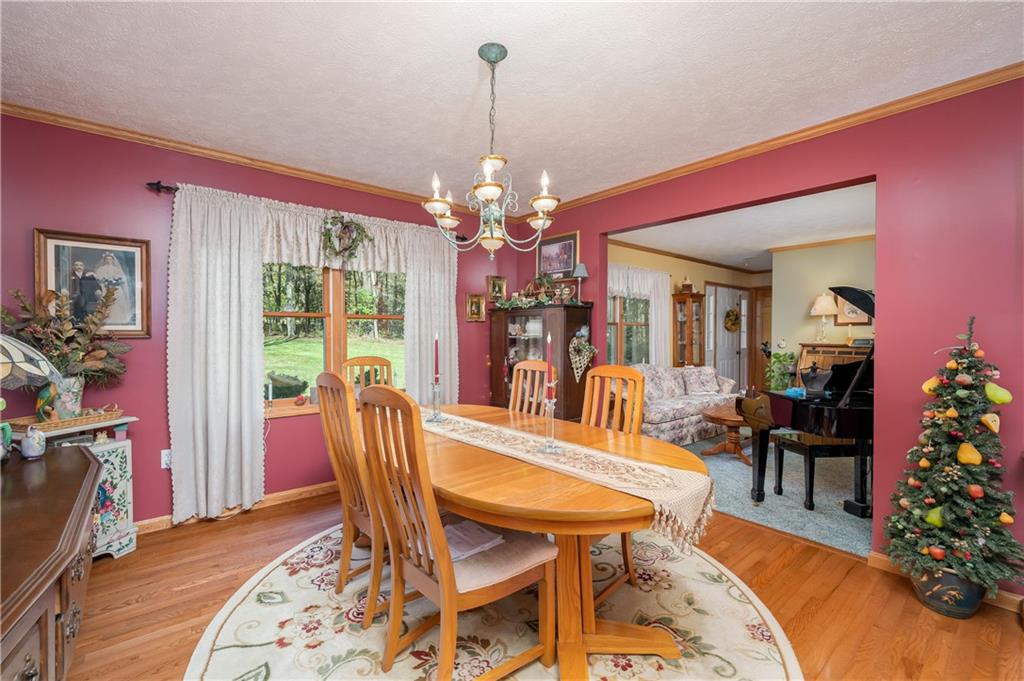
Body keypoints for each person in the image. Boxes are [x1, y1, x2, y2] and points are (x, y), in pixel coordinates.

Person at [93, 252, 132, 325]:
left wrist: (116, 281)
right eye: (107, 259)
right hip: (105, 288)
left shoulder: (117, 269)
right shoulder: (101, 269)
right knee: (107, 302)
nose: (108, 261)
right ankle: (106, 319)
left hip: (116, 288)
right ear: (104, 260)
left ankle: (119, 319)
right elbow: (98, 279)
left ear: (112, 260)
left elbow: (122, 279)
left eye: (110, 259)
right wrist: (105, 281)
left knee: (118, 301)